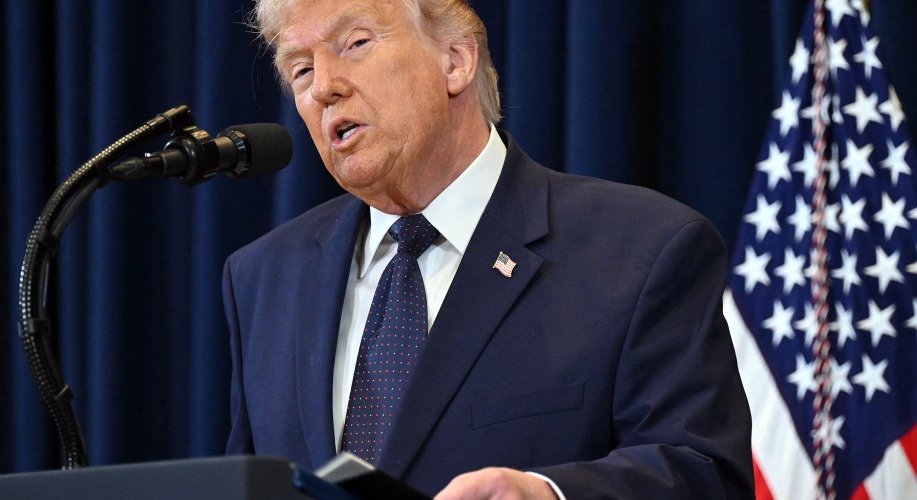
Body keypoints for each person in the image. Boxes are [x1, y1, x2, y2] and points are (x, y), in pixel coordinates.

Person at [223, 0, 754, 498]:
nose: (323, 88)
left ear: (455, 60)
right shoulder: (264, 277)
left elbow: (704, 473)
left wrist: (548, 494)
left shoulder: (642, 249)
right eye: (300, 70)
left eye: (355, 43)